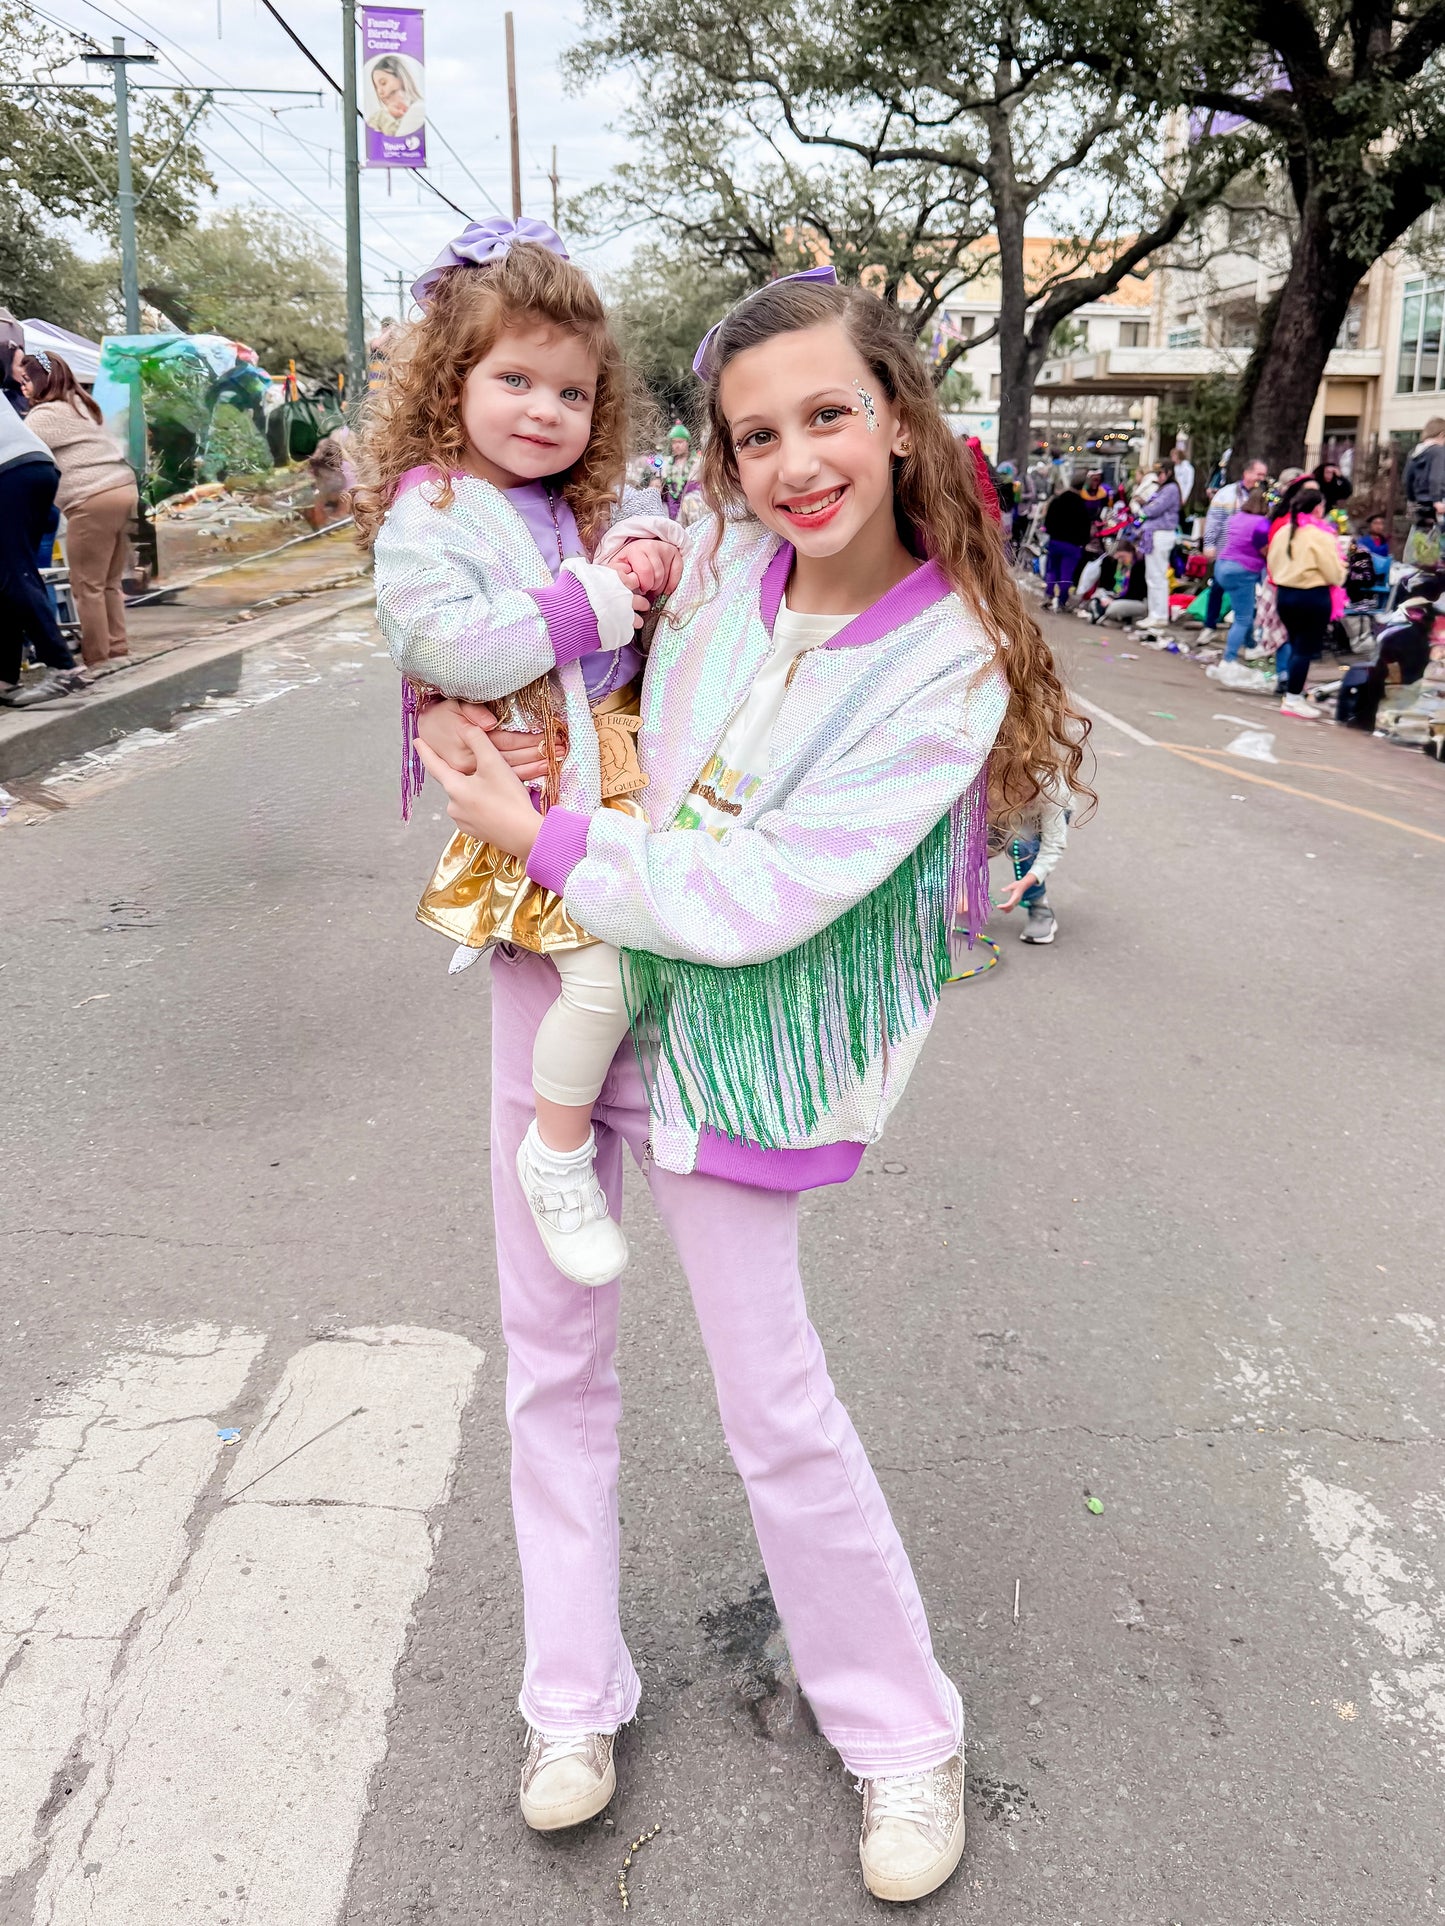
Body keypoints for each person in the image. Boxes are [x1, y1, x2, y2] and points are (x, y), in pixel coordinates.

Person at [412, 268, 1090, 1907]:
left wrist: (539, 835)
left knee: (772, 1403)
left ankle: (903, 1736)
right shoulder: (712, 556)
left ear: (902, 420)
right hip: (563, 989)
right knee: (548, 1364)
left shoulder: (953, 662)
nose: (796, 462)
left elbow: (761, 892)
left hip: (730, 1037)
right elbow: (520, 598)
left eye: (829, 417)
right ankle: (569, 1704)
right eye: (756, 432)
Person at [359, 218, 678, 1289]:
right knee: (605, 980)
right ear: (452, 383)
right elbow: (440, 641)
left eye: (572, 395)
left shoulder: (562, 501)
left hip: (598, 781)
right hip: (530, 794)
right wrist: (586, 601)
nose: (544, 411)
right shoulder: (435, 507)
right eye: (515, 381)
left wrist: (644, 545)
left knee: (640, 962)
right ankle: (555, 1157)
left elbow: (641, 541)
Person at [19, 350, 139, 674]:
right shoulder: (82, 403)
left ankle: (98, 660)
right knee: (110, 581)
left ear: (42, 380)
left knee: (86, 585)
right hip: (124, 490)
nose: (23, 387)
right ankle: (118, 651)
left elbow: (19, 451)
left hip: (92, 499)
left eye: (27, 380)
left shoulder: (44, 416)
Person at [0, 372, 82, 708]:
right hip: (37, 466)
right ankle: (5, 680)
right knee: (11, 576)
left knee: (13, 575)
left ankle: (62, 667)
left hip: (9, 471)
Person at [1267, 483, 1346, 719]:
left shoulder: (1283, 531)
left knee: (1295, 644)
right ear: (1318, 508)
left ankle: (1293, 693)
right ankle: (1293, 698)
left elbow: (1272, 562)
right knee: (1305, 649)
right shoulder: (1320, 536)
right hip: (1312, 596)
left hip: (1285, 594)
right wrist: (1342, 573)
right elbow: (1334, 573)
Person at [990, 780, 1070, 945]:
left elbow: (1053, 845)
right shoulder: (985, 778)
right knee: (981, 841)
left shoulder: (1051, 789)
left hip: (1043, 812)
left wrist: (1027, 881)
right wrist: (963, 885)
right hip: (1003, 807)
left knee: (1022, 846)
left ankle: (1040, 908)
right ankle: (962, 898)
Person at [1199, 456, 1268, 636]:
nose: (1261, 479)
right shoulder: (1227, 494)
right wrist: (1209, 544)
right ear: (1247, 473)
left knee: (1256, 592)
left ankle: (1251, 633)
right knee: (1217, 588)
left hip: (1255, 556)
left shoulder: (1266, 496)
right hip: (1227, 551)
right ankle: (1210, 625)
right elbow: (1214, 520)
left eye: (1264, 475)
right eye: (1258, 474)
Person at [1211, 484, 1271, 661]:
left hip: (1222, 566)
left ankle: (1251, 645)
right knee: (1243, 618)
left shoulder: (1235, 518)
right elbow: (1264, 550)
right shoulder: (1262, 524)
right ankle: (1228, 659)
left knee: (1245, 608)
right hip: (1242, 570)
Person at [1136, 458, 1182, 632]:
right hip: (1154, 534)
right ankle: (1154, 614)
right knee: (1152, 576)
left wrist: (1143, 506)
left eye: (1160, 473)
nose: (1158, 477)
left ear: (1168, 473)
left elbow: (1154, 509)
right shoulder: (1164, 488)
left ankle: (1159, 615)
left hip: (1161, 534)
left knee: (1157, 576)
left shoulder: (1171, 489)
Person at [1041, 475, 1098, 611]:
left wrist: (1052, 533)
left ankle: (1048, 596)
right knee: (1066, 574)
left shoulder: (1057, 501)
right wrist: (1083, 543)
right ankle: (1061, 601)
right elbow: (1085, 528)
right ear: (1083, 486)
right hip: (1072, 546)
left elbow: (1048, 522)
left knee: (1052, 570)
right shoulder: (1082, 506)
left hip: (1055, 542)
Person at [1403, 418, 1445, 565]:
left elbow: (1407, 479)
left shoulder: (1414, 452)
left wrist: (1412, 499)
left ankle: (1415, 565)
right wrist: (1437, 500)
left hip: (1420, 505)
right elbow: (1436, 477)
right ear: (1442, 434)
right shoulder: (1438, 451)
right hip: (1435, 505)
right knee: (1438, 548)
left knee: (1420, 541)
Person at [365, 54, 425, 135]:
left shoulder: (417, 109)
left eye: (383, 83)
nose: (380, 91)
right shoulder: (377, 118)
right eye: (376, 87)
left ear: (400, 77)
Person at [658, 421, 700, 521]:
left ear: (687, 442)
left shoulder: (697, 463)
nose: (677, 446)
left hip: (691, 509)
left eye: (680, 442)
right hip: (669, 509)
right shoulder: (666, 464)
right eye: (674, 442)